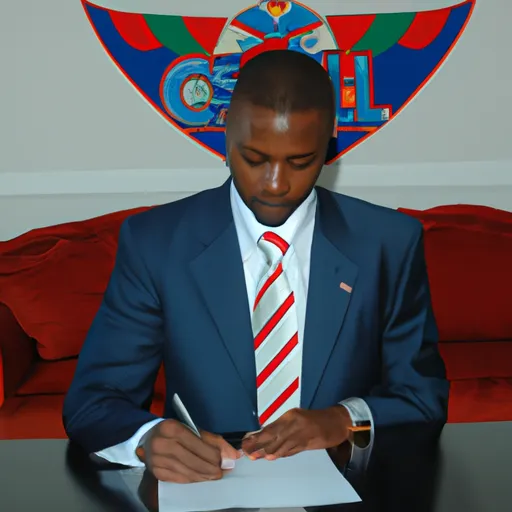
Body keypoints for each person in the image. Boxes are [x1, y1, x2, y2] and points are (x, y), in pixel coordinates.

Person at [63, 49, 449, 484]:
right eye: (255, 158)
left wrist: (344, 420)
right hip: (205, 494)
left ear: (330, 145)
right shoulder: (156, 243)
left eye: (301, 161)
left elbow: (423, 397)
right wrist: (146, 438)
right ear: (226, 133)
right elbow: (92, 401)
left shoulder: (388, 243)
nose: (276, 183)